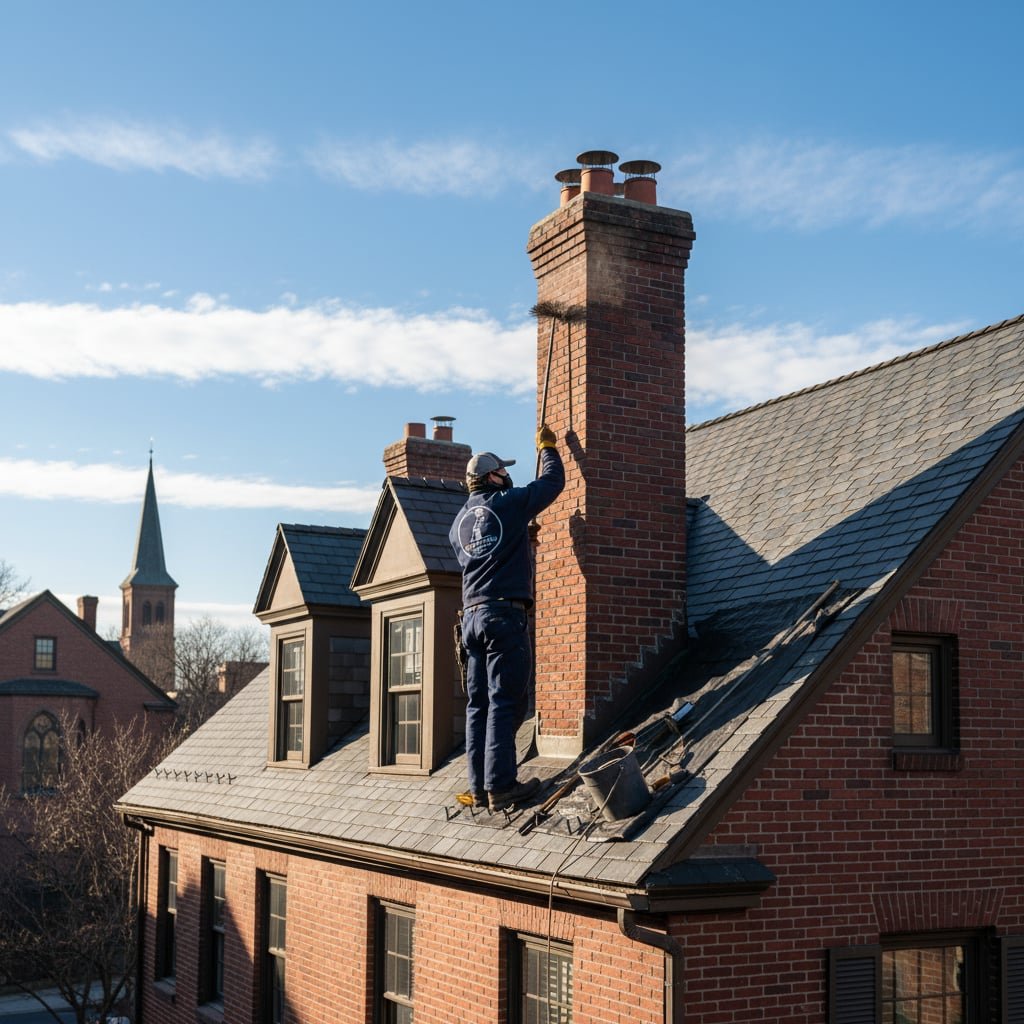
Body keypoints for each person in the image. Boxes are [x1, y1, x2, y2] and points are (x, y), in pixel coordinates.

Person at [449, 426, 565, 812]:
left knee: (477, 705)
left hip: (472, 619)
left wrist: (518, 536)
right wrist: (547, 448)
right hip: (502, 616)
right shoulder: (507, 502)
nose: (507, 476)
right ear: (493, 477)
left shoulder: (458, 525)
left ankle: (479, 788)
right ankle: (502, 786)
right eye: (503, 472)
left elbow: (485, 555)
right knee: (503, 702)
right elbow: (551, 484)